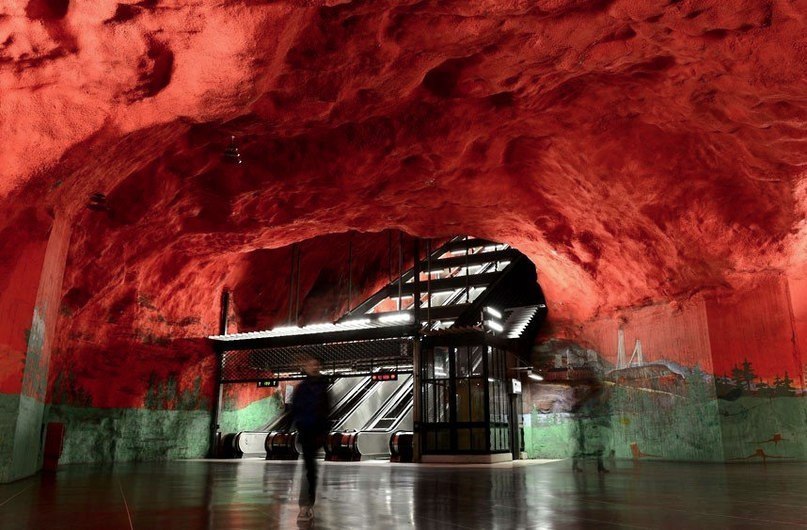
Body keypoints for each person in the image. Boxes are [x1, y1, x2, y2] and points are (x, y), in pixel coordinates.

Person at [291, 355, 330, 522]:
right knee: (310, 469)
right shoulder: (302, 388)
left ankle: (307, 505)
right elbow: (295, 409)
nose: (314, 367)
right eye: (311, 364)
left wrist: (324, 432)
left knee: (311, 470)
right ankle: (305, 505)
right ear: (306, 368)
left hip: (317, 432)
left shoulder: (323, 387)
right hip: (306, 432)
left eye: (316, 365)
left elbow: (326, 410)